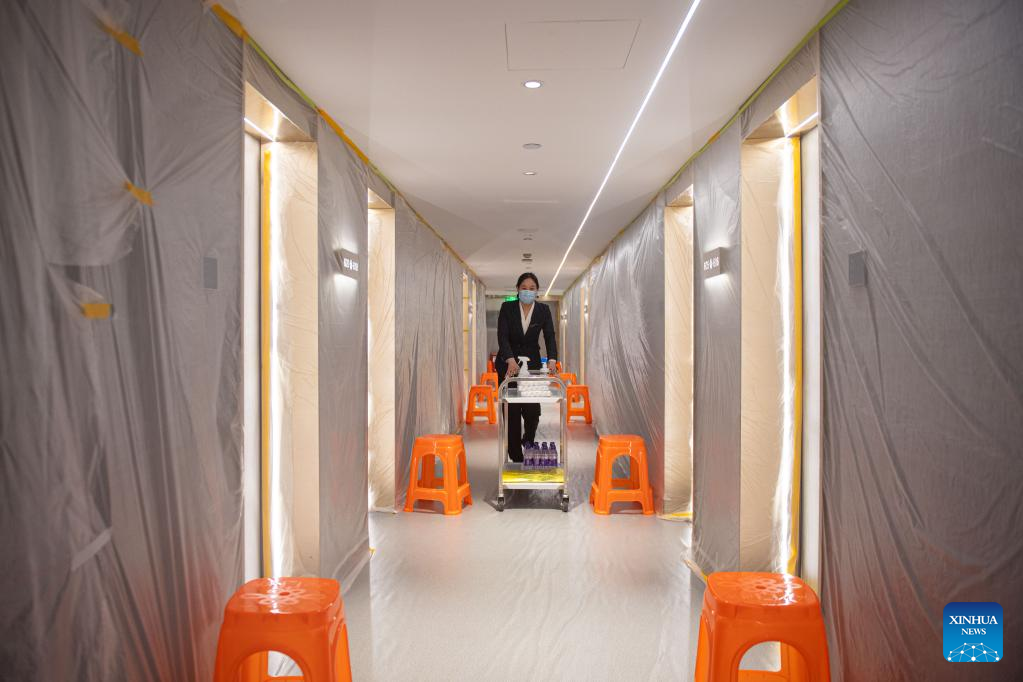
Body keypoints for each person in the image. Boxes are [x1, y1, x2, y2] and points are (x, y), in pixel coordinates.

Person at [496, 272, 558, 462]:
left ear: (537, 291)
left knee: (532, 411)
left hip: (532, 366)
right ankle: (515, 456)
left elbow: (549, 335)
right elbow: (502, 336)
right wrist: (510, 359)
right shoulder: (507, 308)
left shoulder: (543, 310)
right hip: (509, 365)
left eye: (532, 288)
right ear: (517, 289)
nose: (527, 291)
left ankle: (528, 439)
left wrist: (552, 359)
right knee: (512, 412)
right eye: (524, 288)